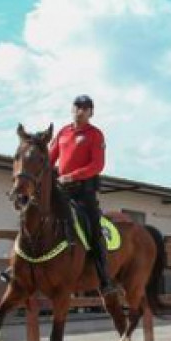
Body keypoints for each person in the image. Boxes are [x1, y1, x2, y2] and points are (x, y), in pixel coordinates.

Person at [49, 94, 119, 295]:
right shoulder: (63, 132)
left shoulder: (95, 135)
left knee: (94, 230)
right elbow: (49, 158)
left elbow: (97, 165)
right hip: (61, 191)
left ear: (91, 113)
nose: (80, 111)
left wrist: (72, 176)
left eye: (85, 108)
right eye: (77, 107)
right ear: (72, 109)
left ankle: (104, 279)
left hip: (83, 193)